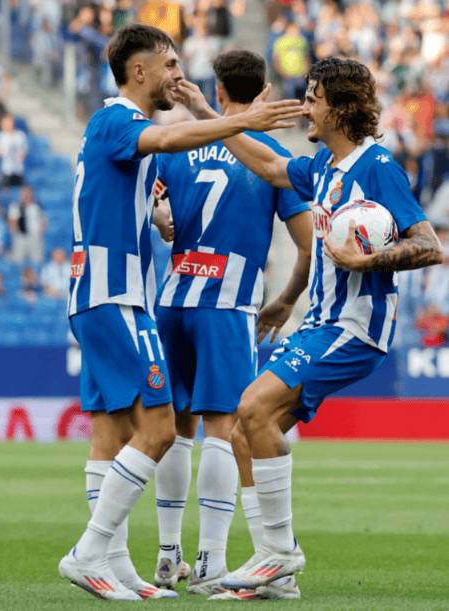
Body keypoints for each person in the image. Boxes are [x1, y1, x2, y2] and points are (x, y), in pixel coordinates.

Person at [57, 22, 302, 601]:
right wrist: (242, 122)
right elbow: (167, 143)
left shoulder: (132, 134)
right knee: (172, 427)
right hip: (134, 296)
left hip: (146, 295)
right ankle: (97, 554)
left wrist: (158, 214)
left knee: (115, 429)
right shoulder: (123, 121)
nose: (178, 74)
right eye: (169, 64)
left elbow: (135, 189)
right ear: (138, 69)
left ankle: (121, 564)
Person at [183, 57, 443, 594]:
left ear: (341, 108)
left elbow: (429, 245)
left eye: (313, 99)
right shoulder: (323, 166)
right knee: (244, 431)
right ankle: (275, 573)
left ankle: (280, 553)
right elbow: (269, 166)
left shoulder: (377, 167)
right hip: (321, 323)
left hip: (354, 326)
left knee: (252, 408)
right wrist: (210, 114)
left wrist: (369, 259)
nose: (305, 108)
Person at [150, 50, 313, 599]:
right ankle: (210, 564)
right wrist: (286, 300)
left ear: (218, 91)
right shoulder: (272, 156)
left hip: (173, 298)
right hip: (227, 302)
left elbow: (153, 209)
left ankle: (167, 554)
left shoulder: (182, 146)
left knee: (175, 427)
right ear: (262, 91)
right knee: (223, 427)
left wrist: (164, 219)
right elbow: (307, 244)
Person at [7, 185, 46, 263]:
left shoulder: (37, 206)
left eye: (28, 193)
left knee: (37, 260)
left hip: (35, 236)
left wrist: (40, 233)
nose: (27, 195)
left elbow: (44, 220)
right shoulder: (15, 206)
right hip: (20, 236)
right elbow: (11, 221)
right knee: (18, 260)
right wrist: (16, 234)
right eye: (24, 193)